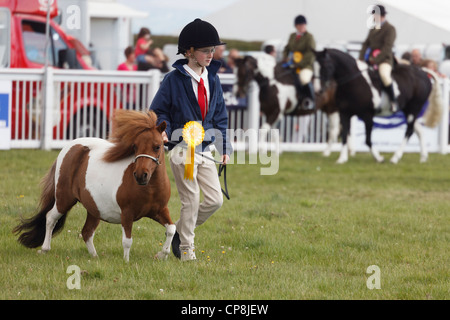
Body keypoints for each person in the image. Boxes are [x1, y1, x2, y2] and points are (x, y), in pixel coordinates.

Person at [150, 18, 232, 262]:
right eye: (206, 50)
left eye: (213, 50)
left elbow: (220, 117)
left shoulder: (213, 78)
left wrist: (224, 147)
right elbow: (158, 111)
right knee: (191, 199)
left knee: (215, 200)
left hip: (205, 150)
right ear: (189, 52)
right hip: (181, 150)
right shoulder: (173, 80)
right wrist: (164, 130)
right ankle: (187, 250)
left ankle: (180, 233)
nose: (211, 54)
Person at [359, 5, 398, 111]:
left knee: (384, 75)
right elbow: (366, 44)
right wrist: (361, 58)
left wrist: (375, 60)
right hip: (370, 59)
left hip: (384, 59)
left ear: (381, 16)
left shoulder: (390, 29)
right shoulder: (373, 28)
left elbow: (387, 47)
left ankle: (393, 100)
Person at [282, 15, 316, 110]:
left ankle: (309, 100)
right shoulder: (292, 36)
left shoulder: (309, 37)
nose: (302, 27)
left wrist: (299, 63)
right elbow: (287, 48)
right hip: (291, 64)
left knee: (304, 79)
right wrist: (285, 57)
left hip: (305, 65)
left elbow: (311, 53)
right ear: (296, 26)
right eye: (300, 25)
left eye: (303, 25)